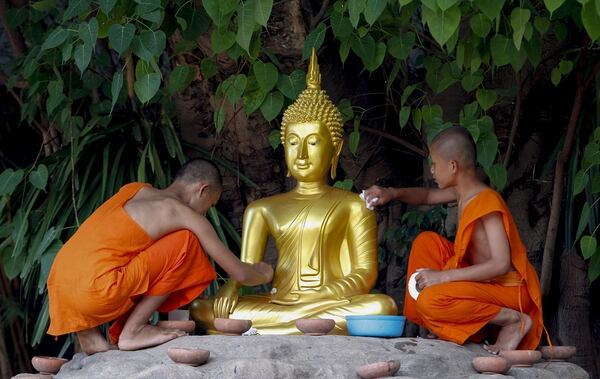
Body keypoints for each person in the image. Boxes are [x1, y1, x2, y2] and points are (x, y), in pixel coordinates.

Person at [191, 50, 397, 334]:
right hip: (279, 302)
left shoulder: (353, 205)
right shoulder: (261, 209)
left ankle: (269, 327)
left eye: (312, 142)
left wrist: (321, 296)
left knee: (381, 306)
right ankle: (306, 325)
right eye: (292, 142)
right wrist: (232, 285)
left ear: (334, 149)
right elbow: (249, 267)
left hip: (328, 302)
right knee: (202, 309)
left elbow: (364, 274)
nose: (300, 154)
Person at [47, 158, 273, 354]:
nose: (206, 212)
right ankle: (133, 330)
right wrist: (264, 273)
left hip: (59, 287)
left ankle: (89, 337)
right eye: (210, 205)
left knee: (109, 256)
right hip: (97, 290)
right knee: (188, 242)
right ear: (202, 190)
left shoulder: (135, 190)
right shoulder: (179, 212)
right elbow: (240, 274)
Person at [363, 126, 543, 353]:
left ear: (453, 166)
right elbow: (427, 196)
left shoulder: (487, 201)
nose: (432, 170)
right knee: (426, 243)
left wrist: (444, 277)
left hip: (509, 292)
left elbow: (500, 264)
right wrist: (392, 193)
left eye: (435, 165)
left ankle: (513, 320)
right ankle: (455, 326)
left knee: (430, 300)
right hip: (480, 287)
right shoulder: (462, 192)